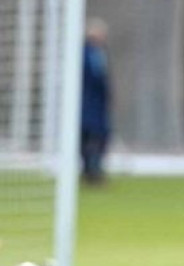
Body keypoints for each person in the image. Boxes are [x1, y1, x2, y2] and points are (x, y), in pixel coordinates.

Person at [80, 17, 111, 185]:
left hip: (97, 105)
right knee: (89, 139)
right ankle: (91, 173)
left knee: (100, 137)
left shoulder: (99, 53)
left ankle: (94, 171)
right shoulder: (85, 53)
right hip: (87, 105)